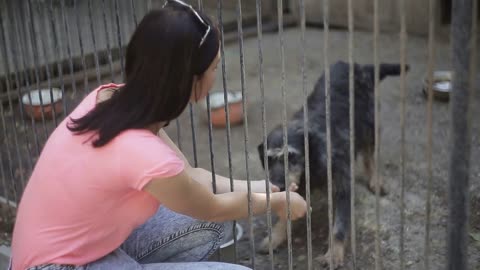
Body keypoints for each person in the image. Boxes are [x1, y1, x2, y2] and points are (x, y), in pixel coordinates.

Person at [10, 1, 308, 269]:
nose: (216, 75)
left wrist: (267, 188)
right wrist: (276, 204)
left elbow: (193, 178)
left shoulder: (115, 99)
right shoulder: (144, 154)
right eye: (214, 68)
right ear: (189, 78)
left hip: (89, 245)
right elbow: (211, 207)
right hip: (54, 266)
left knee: (222, 225)